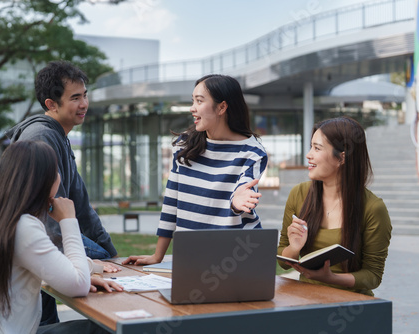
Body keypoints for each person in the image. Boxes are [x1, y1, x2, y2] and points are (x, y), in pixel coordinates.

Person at [0, 141, 121, 333]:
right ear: (43, 180)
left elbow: (44, 264)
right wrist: (68, 220)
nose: (59, 178)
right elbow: (78, 286)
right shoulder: (24, 226)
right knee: (103, 329)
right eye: (56, 171)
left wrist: (88, 269)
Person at [5, 60, 119, 324]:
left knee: (104, 258)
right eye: (75, 98)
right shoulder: (41, 138)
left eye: (85, 95)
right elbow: (42, 212)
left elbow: (80, 203)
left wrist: (111, 253)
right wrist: (99, 258)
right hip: (34, 237)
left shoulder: (60, 136)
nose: (84, 104)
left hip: (43, 238)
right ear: (51, 104)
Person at [123, 74, 268, 266]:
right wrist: (157, 256)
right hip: (191, 254)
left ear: (222, 107)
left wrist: (236, 202)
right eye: (193, 101)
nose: (192, 108)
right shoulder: (184, 146)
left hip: (237, 255)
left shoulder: (253, 151)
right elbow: (171, 202)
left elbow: (244, 189)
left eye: (199, 101)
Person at [277, 116, 392, 296]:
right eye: (311, 146)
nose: (309, 155)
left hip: (351, 306)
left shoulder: (373, 208)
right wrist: (294, 248)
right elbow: (283, 262)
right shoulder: (299, 194)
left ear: (342, 158)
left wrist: (329, 278)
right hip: (305, 302)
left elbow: (373, 276)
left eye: (317, 148)